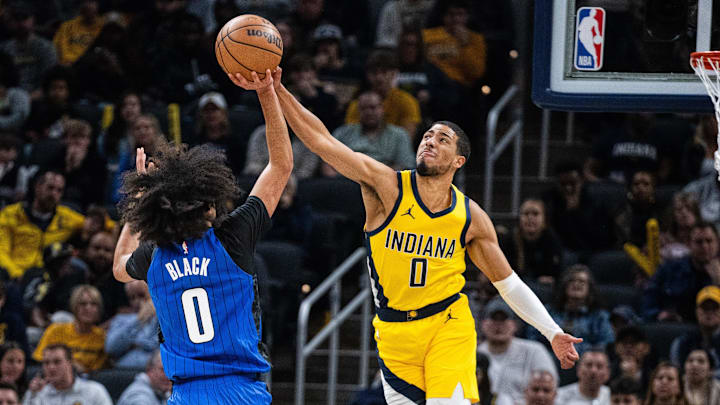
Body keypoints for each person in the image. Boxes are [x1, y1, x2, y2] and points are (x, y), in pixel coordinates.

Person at [244, 68, 581, 405]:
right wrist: (277, 89)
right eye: (427, 136)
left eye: (442, 139)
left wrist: (551, 332)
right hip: (394, 333)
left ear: (458, 161)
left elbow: (507, 283)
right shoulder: (387, 185)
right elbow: (322, 141)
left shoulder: (471, 218)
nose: (430, 141)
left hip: (447, 325)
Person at [112, 69, 292, 404]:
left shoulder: (153, 255)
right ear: (209, 205)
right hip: (241, 391)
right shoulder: (232, 236)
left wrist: (137, 207)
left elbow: (119, 268)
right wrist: (266, 90)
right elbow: (280, 165)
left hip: (185, 394)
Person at [0, 170, 84, 279]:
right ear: (37, 187)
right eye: (50, 188)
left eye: (59, 190)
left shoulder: (67, 217)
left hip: (49, 279)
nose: (54, 194)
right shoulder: (10, 214)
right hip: (15, 275)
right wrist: (16, 274)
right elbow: (1, 251)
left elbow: (96, 224)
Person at [478, 297, 559, 404]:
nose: (498, 325)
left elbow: (550, 389)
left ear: (515, 324)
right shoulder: (475, 354)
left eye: (504, 320)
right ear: (483, 323)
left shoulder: (535, 350)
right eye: (494, 319)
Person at [526, 265, 615, 357]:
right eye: (571, 281)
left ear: (589, 288)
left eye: (582, 281)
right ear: (564, 286)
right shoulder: (547, 312)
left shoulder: (600, 316)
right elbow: (532, 339)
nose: (576, 284)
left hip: (585, 362)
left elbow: (606, 345)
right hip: (549, 360)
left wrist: (574, 350)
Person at [642, 221, 720, 322]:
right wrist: (658, 315)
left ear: (717, 243)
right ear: (689, 244)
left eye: (709, 241)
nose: (705, 247)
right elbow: (649, 300)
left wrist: (718, 282)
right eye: (699, 242)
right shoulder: (669, 269)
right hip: (673, 327)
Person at [327, 89, 415, 175]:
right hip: (346, 181)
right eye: (363, 109)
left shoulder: (399, 135)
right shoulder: (343, 132)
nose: (368, 112)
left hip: (386, 181)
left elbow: (404, 165)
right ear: (358, 111)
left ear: (382, 109)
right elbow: (327, 162)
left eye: (373, 107)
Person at [33, 285, 108, 373]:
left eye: (94, 304)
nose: (88, 308)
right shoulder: (55, 330)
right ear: (74, 307)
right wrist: (70, 365)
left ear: (99, 309)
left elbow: (97, 371)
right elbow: (40, 360)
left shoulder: (102, 337)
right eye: (83, 304)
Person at [500, 198, 564, 283]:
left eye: (535, 214)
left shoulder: (552, 240)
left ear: (544, 219)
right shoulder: (509, 240)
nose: (530, 218)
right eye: (526, 214)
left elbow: (554, 273)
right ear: (519, 218)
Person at [23, 344, 112, 405]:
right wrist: (33, 394)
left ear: (70, 363)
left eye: (57, 362)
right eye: (46, 363)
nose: (51, 367)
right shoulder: (37, 393)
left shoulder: (94, 391)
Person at [105, 280, 159, 369]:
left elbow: (159, 346)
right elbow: (110, 348)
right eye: (132, 298)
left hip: (154, 370)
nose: (137, 301)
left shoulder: (161, 317)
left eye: (141, 295)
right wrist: (138, 320)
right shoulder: (120, 319)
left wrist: (132, 344)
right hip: (125, 372)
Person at [670, 286, 720, 374]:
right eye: (705, 308)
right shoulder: (682, 343)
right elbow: (676, 373)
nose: (709, 312)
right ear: (697, 311)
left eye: (714, 308)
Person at [52, 0, 104, 66]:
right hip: (67, 65)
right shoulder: (67, 26)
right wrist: (67, 61)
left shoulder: (103, 26)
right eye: (84, 2)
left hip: (91, 65)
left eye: (91, 2)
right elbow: (58, 46)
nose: (88, 5)